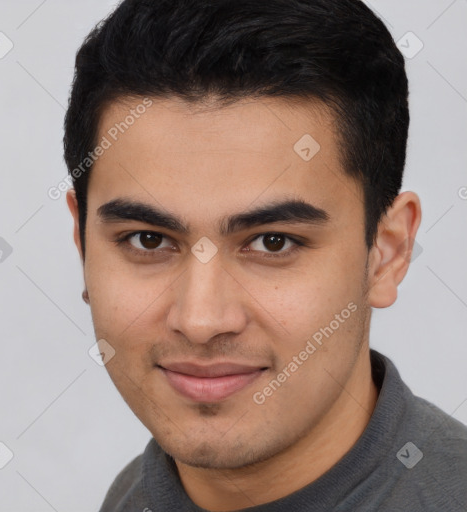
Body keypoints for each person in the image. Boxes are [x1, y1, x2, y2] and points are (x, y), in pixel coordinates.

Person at [63, 0, 467, 510]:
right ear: (82, 244)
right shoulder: (137, 494)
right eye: (148, 240)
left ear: (386, 254)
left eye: (273, 242)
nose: (201, 320)